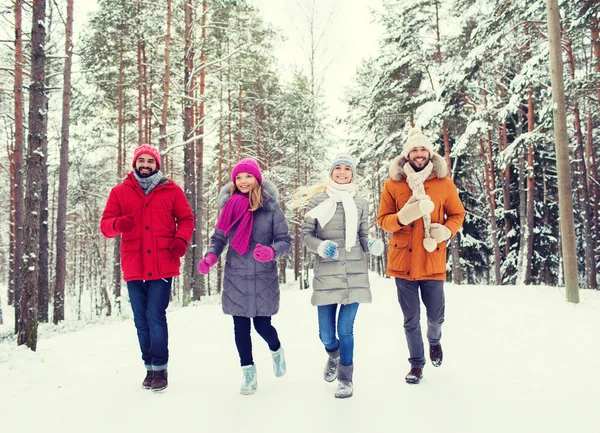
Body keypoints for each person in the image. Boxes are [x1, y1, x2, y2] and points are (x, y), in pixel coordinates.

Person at [100, 144, 194, 392]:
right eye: (141, 160)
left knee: (155, 316)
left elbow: (186, 219)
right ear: (135, 163)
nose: (145, 165)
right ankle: (149, 368)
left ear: (157, 165)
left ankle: (161, 369)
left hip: (163, 263)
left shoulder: (171, 190)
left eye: (150, 161)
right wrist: (118, 223)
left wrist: (181, 240)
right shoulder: (120, 192)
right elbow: (106, 226)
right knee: (141, 320)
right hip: (134, 265)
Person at [377, 128, 465, 385]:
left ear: (430, 153)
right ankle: (416, 364)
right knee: (411, 319)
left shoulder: (443, 183)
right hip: (402, 261)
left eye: (422, 149)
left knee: (436, 315)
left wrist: (446, 231)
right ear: (407, 154)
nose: (419, 154)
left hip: (432, 258)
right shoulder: (393, 184)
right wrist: (402, 218)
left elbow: (458, 214)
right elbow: (383, 220)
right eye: (414, 150)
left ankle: (435, 340)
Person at [197, 158, 291, 395]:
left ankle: (276, 350)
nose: (243, 181)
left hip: (263, 276)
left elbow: (284, 241)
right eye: (238, 177)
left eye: (247, 176)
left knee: (263, 326)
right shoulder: (229, 207)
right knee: (240, 328)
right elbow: (219, 237)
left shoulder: (270, 208)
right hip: (236, 276)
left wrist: (271, 251)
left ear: (257, 179)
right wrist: (210, 256)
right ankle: (249, 374)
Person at [295, 153, 384, 399]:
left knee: (345, 329)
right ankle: (333, 355)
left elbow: (364, 236)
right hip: (327, 273)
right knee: (326, 333)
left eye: (347, 169)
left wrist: (373, 245)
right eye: (338, 168)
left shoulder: (361, 202)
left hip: (354, 274)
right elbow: (306, 235)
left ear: (353, 174)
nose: (342, 172)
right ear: (331, 172)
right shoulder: (318, 200)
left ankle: (346, 378)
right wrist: (320, 246)